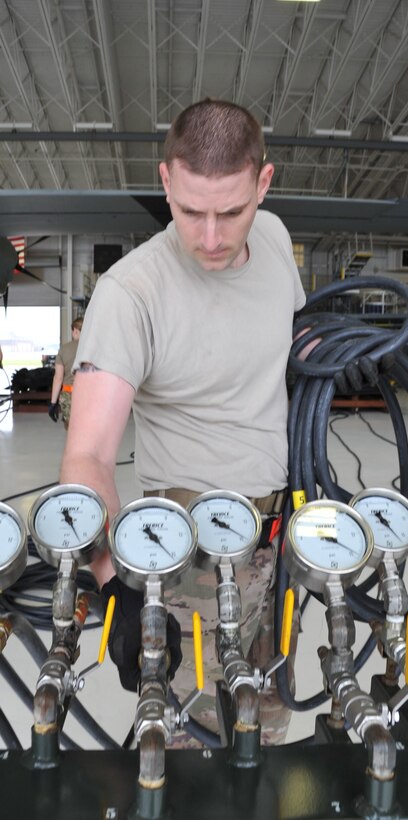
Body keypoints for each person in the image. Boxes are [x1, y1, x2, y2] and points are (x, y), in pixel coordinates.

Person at [60, 99, 306, 745]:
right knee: (187, 751)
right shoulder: (132, 293)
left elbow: (287, 339)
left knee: (264, 731)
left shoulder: (276, 239)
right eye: (191, 211)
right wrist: (116, 589)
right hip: (185, 556)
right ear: (166, 180)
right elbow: (87, 454)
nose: (211, 237)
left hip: (277, 538)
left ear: (263, 183)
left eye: (231, 212)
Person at [48, 317, 83, 430]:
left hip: (69, 396)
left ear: (75, 331)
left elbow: (58, 378)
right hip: (91, 396)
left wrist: (53, 403)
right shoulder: (95, 349)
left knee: (72, 431)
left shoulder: (64, 349)